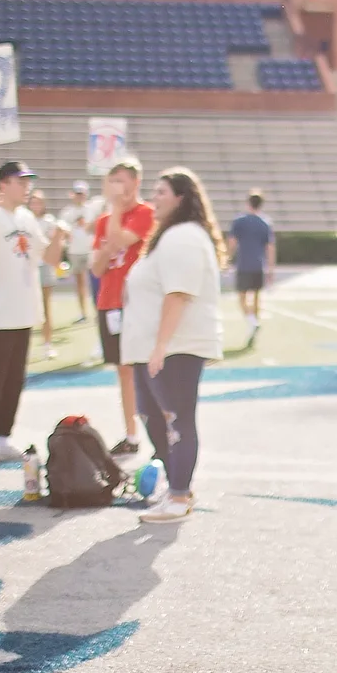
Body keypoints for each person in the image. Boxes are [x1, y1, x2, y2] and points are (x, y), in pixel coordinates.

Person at [122, 168, 227, 523]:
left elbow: (178, 292)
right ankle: (175, 486)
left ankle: (180, 495)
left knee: (176, 419)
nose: (154, 197)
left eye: (162, 191)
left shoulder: (184, 235)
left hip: (175, 347)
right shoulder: (168, 236)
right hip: (151, 347)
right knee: (154, 420)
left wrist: (161, 345)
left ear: (181, 198)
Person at [0, 161, 59, 469]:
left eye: (29, 180)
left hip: (24, 313)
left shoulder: (27, 217)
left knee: (15, 380)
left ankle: (3, 438)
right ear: (3, 184)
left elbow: (49, 258)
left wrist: (60, 236)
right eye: (21, 180)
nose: (27, 185)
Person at [90, 159, 155, 456]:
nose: (117, 187)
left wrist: (116, 210)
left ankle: (161, 429)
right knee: (123, 372)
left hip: (136, 303)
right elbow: (97, 266)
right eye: (112, 180)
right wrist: (111, 222)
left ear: (134, 183)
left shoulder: (145, 213)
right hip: (110, 302)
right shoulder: (104, 220)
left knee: (147, 369)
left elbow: (120, 240)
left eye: (121, 181)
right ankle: (131, 433)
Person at [229, 189, 275, 349]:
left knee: (242, 298)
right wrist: (270, 268)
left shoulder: (240, 221)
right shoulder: (265, 223)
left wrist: (227, 258)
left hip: (243, 264)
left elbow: (232, 243)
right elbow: (270, 248)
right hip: (258, 264)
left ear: (248, 203)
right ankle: (254, 324)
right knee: (256, 297)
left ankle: (252, 322)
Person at [58, 180, 100, 325]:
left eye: (82, 194)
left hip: (90, 250)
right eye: (77, 194)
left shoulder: (91, 210)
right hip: (75, 251)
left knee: (95, 283)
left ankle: (97, 312)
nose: (79, 197)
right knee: (80, 283)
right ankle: (83, 313)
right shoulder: (67, 212)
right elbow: (62, 231)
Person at [27, 191, 62, 359]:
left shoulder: (48, 221)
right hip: (28, 267)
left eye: (39, 202)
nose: (36, 205)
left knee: (45, 308)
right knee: (27, 308)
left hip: (45, 267)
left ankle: (48, 345)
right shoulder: (24, 219)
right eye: (33, 202)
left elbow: (55, 243)